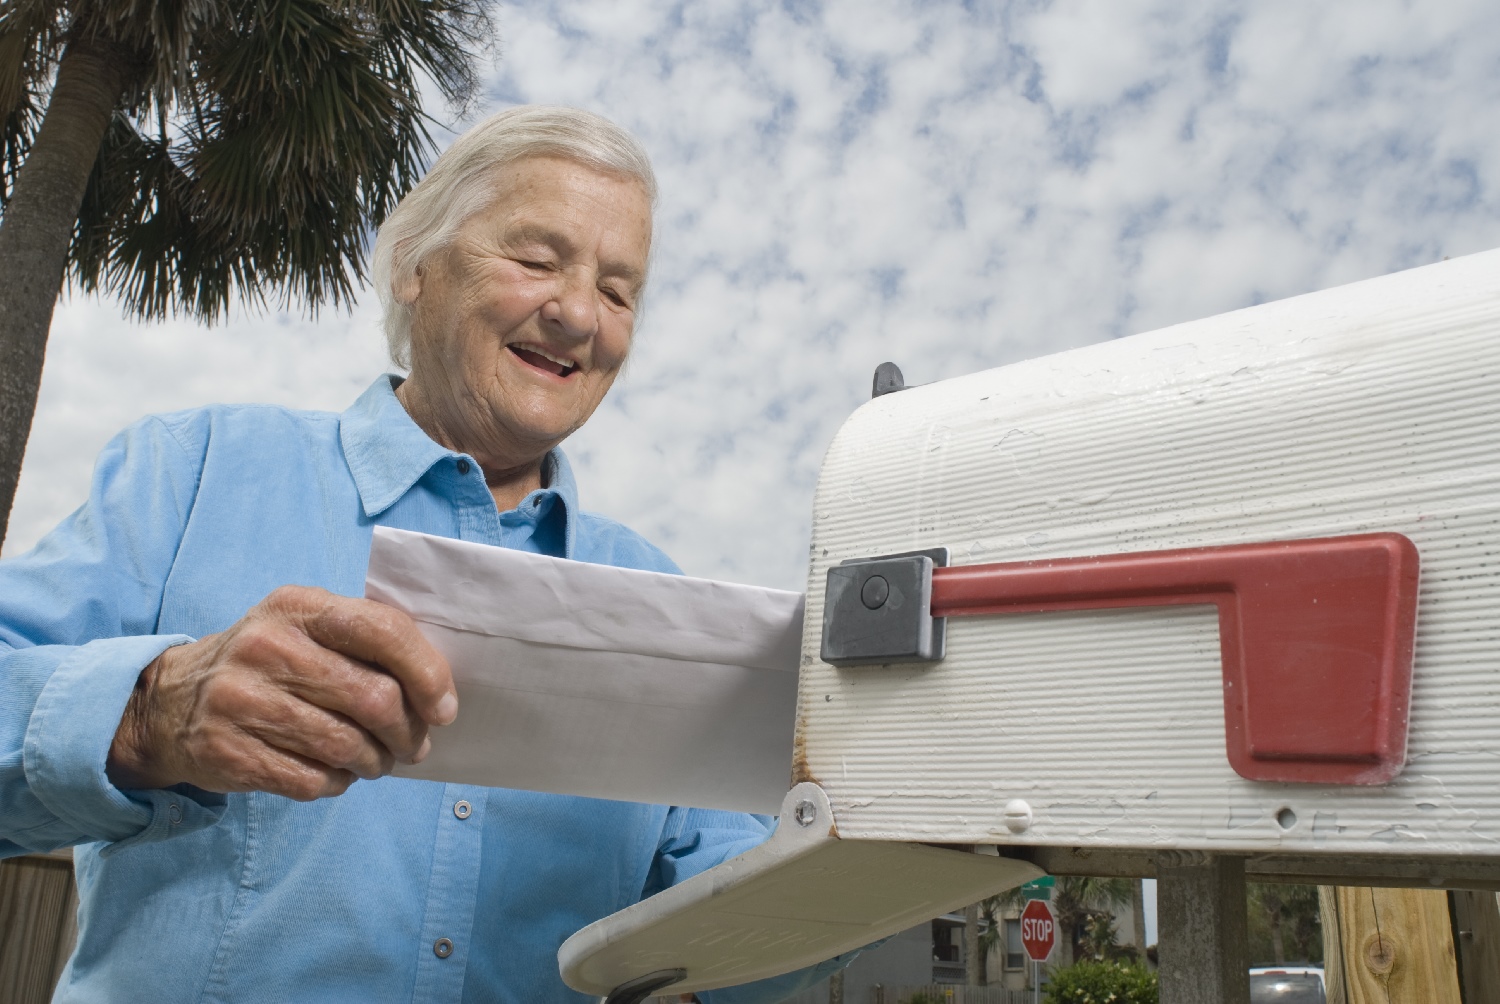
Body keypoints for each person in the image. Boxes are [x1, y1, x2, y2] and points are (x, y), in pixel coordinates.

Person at [0, 106, 853, 1002]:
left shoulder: (667, 598)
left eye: (617, 289)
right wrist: (148, 713)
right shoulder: (190, 469)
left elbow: (738, 947)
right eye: (536, 259)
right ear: (413, 263)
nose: (576, 314)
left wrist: (903, 828)